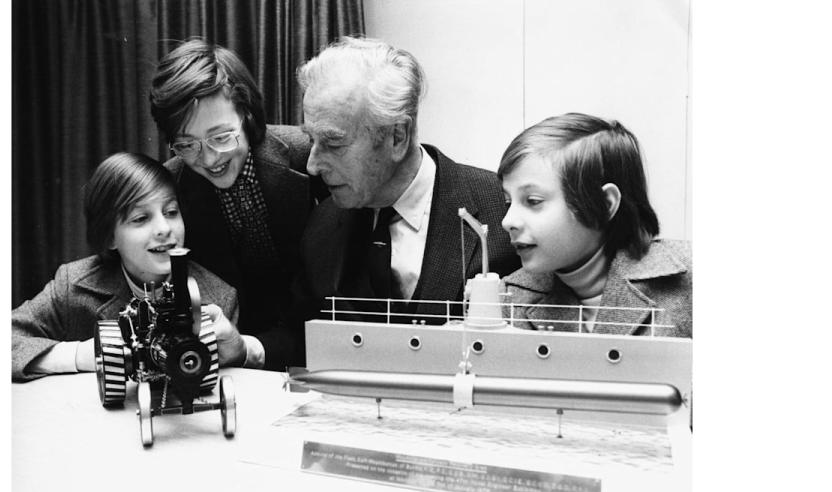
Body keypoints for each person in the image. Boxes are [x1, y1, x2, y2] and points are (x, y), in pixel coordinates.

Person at [292, 37, 519, 337]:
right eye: (312, 139)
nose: (312, 165)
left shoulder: (503, 213)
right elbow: (301, 343)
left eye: (333, 143)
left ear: (397, 137)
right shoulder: (322, 226)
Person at [149, 38, 320, 372]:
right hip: (231, 367)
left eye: (221, 136)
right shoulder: (171, 186)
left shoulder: (309, 156)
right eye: (187, 144)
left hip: (322, 352)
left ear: (246, 113)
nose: (210, 158)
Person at [12, 152, 247, 382]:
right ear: (110, 237)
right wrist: (80, 355)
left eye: (171, 212)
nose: (164, 228)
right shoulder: (72, 285)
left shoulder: (219, 298)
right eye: (140, 218)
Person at [498, 112, 692, 337]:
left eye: (533, 201)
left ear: (605, 203)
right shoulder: (509, 299)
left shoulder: (692, 278)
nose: (507, 221)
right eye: (508, 202)